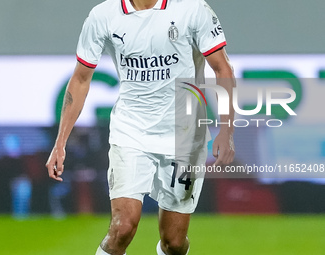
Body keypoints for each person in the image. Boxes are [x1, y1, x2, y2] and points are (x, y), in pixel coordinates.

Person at [46, 0, 235, 254]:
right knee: (122, 227)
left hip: (185, 138)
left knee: (174, 242)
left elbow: (222, 68)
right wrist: (60, 143)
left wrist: (227, 130)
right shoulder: (103, 15)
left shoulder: (192, 9)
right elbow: (80, 79)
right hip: (131, 132)